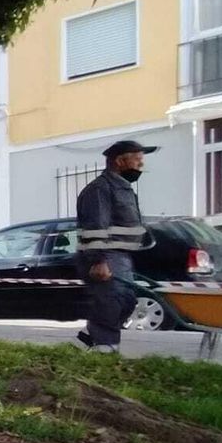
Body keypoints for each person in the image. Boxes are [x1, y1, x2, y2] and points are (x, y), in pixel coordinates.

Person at [75, 140, 154, 355]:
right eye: (137, 160)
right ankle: (105, 351)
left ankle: (86, 340)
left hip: (121, 255)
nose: (140, 165)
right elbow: (95, 227)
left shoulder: (123, 188)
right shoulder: (100, 189)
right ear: (120, 160)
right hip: (106, 255)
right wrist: (98, 261)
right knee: (112, 301)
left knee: (127, 301)